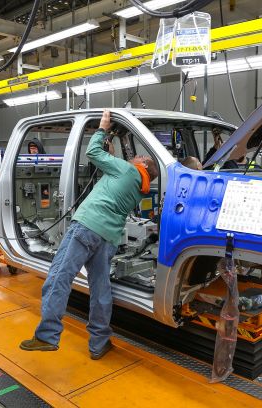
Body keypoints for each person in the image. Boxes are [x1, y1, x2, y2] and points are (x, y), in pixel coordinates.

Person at [20, 110, 159, 359]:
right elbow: (114, 171)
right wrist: (112, 154)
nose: (135, 156)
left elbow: (93, 153)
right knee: (100, 288)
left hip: (86, 227)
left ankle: (46, 336)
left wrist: (102, 128)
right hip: (108, 238)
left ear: (144, 166)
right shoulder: (140, 185)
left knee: (59, 277)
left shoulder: (127, 171)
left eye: (140, 156)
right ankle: (99, 342)